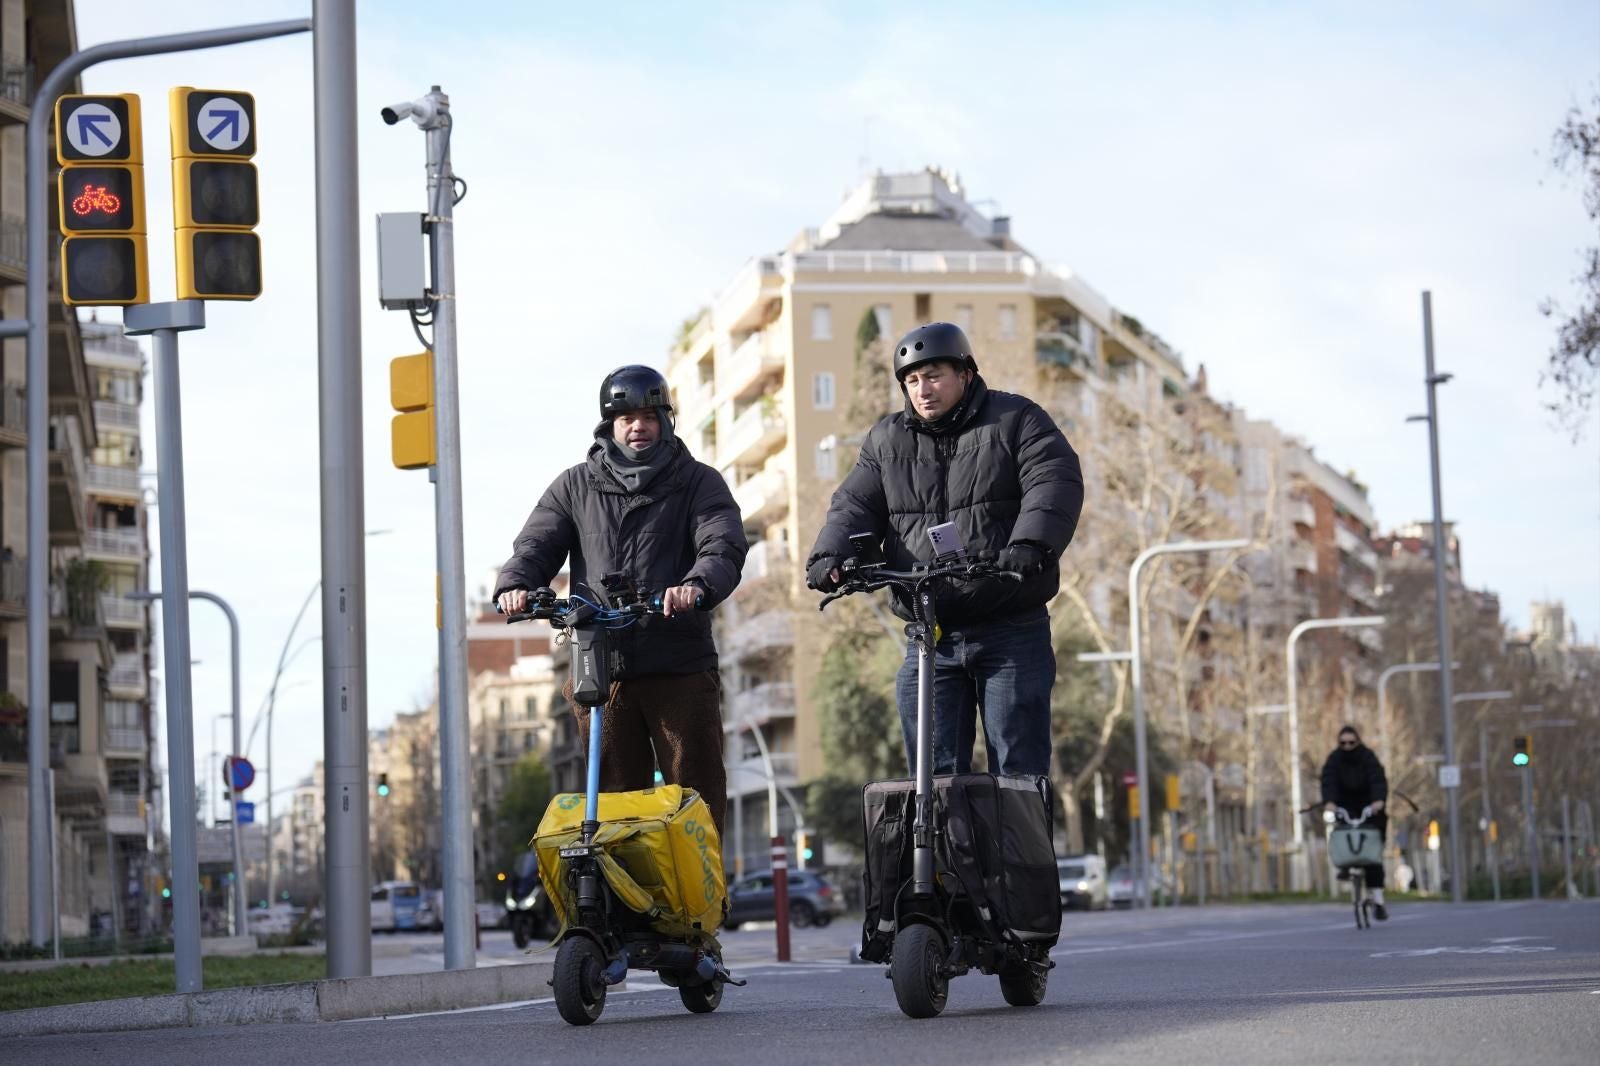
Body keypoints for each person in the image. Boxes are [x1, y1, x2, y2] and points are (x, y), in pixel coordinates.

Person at [805, 322, 1083, 778]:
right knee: (930, 779)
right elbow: (854, 504)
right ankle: (942, 853)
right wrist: (829, 556)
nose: (923, 390)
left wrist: (1030, 543)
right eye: (911, 381)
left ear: (966, 374)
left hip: (1010, 625)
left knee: (1017, 772)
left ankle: (1018, 853)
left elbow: (1053, 480)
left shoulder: (1016, 420)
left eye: (933, 375)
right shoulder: (885, 440)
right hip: (931, 633)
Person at [494, 365, 746, 833]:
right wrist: (516, 585)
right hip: (601, 670)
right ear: (609, 424)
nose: (638, 426)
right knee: (611, 804)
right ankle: (617, 905)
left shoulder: (699, 482)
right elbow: (535, 545)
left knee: (695, 796)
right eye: (626, 417)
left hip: (679, 663)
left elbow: (722, 544)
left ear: (665, 420)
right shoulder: (573, 486)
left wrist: (696, 584)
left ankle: (702, 903)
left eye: (648, 416)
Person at [1320, 724, 1390, 919]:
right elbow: (1328, 781)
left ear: (1358, 741)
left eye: (1351, 742)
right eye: (1343, 743)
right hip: (1345, 807)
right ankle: (1344, 866)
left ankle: (1378, 900)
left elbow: (1377, 779)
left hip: (1369, 806)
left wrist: (1378, 800)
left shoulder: (1368, 758)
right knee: (1341, 833)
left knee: (1373, 852)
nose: (1347, 746)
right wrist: (1330, 802)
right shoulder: (1334, 759)